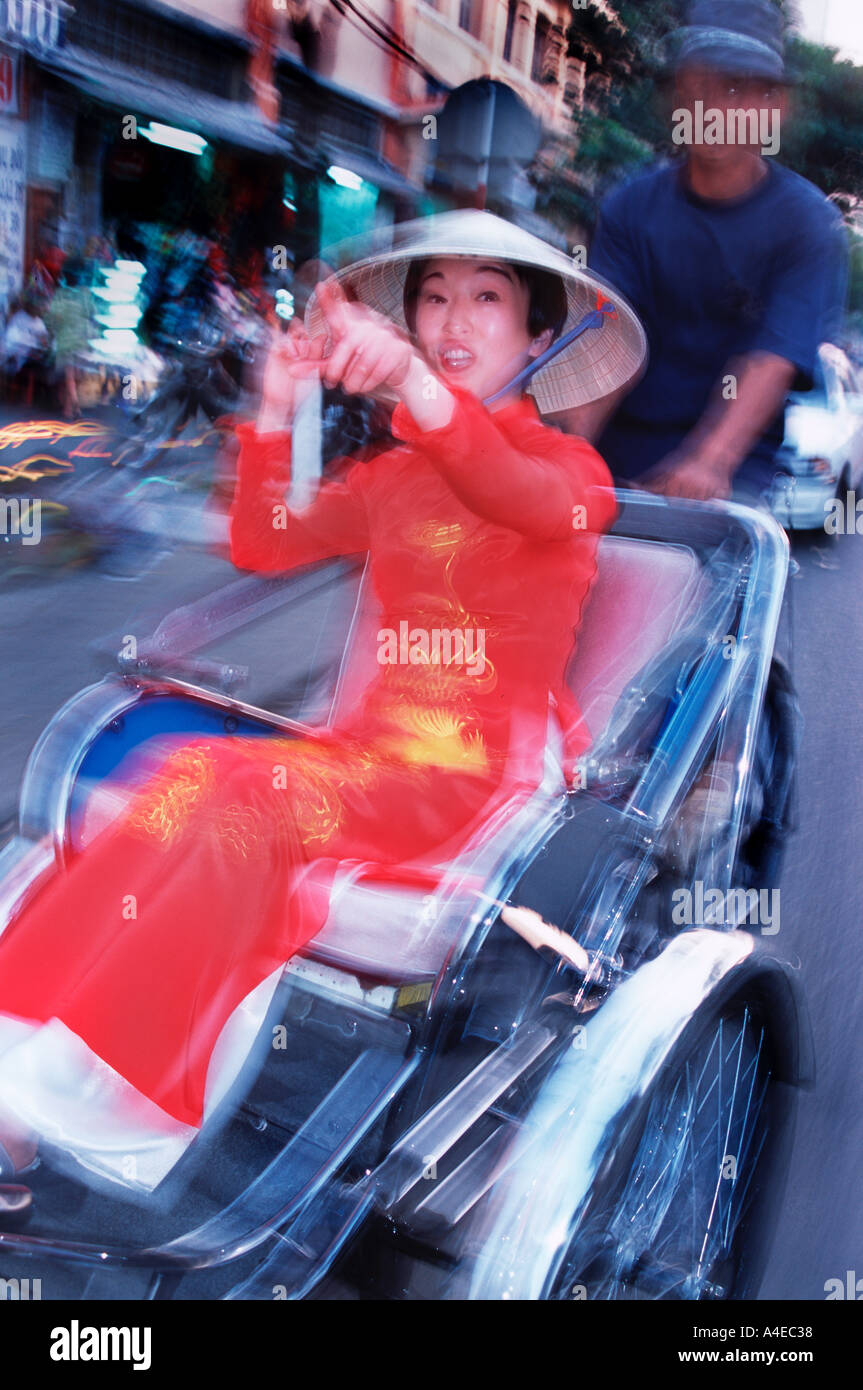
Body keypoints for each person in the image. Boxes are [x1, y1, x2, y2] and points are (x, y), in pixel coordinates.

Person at [0, 210, 643, 1208]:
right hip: (363, 758)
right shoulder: (393, 476)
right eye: (433, 296)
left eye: (486, 298)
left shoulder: (570, 476)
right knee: (180, 776)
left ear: (534, 339)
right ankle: (19, 1055)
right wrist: (272, 407)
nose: (452, 319)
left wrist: (412, 387)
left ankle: (93, 1091)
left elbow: (504, 487)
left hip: (470, 780)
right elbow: (262, 543)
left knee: (250, 795)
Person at [560, 0, 849, 504]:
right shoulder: (630, 206)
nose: (712, 104)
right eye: (699, 83)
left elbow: (769, 359)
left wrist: (707, 462)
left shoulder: (808, 223)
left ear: (773, 107)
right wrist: (567, 451)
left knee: (723, 572)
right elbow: (605, 336)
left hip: (732, 473)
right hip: (615, 458)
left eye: (736, 88)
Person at [46, 257, 95, 420]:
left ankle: (71, 407)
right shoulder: (86, 294)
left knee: (70, 376)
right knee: (76, 376)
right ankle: (73, 408)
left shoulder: (60, 295)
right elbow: (92, 315)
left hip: (66, 340)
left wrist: (51, 331)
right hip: (83, 339)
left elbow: (52, 318)